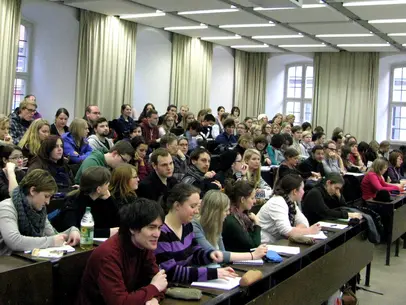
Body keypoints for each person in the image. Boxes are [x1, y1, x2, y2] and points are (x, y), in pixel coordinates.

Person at [77, 198, 167, 305]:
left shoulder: (144, 245)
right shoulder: (108, 255)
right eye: (151, 227)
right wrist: (154, 288)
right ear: (132, 229)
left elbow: (160, 282)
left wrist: (154, 299)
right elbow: (119, 302)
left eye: (159, 228)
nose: (157, 234)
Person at [155, 183, 236, 284]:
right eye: (193, 206)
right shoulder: (161, 233)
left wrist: (210, 255)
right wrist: (213, 273)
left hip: (188, 284)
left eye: (198, 206)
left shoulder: (187, 226)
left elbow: (195, 253)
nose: (197, 211)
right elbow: (171, 272)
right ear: (177, 206)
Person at [0, 169, 80, 256]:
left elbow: (53, 235)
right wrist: (51, 241)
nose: (48, 202)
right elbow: (14, 241)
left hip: (27, 260)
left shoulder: (39, 211)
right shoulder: (6, 208)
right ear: (33, 191)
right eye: (46, 196)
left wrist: (72, 231)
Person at [193, 190, 267, 264]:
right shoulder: (195, 226)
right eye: (225, 210)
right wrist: (252, 255)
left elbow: (222, 253)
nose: (228, 213)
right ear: (216, 212)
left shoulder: (217, 224)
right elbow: (216, 254)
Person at [258, 174, 321, 244]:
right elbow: (286, 231)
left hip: (276, 242)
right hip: (263, 243)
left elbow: (304, 222)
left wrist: (295, 232)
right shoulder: (277, 202)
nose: (304, 191)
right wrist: (309, 231)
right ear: (294, 191)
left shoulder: (290, 202)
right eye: (302, 189)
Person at [58, 167, 119, 238]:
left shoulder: (101, 199)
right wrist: (107, 232)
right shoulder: (73, 202)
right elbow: (74, 231)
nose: (108, 185)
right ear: (98, 189)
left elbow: (116, 223)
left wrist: (109, 199)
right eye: (107, 183)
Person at [222, 180, 262, 252]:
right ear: (242, 199)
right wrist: (257, 223)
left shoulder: (243, 216)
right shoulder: (232, 219)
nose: (255, 201)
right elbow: (254, 244)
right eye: (252, 198)